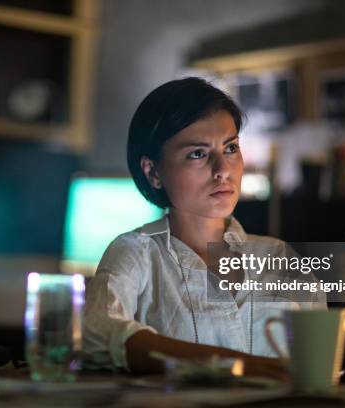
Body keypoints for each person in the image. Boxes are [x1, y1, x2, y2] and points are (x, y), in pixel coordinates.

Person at [83, 77, 326, 380]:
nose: (223, 170)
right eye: (197, 153)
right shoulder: (138, 253)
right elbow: (96, 333)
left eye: (230, 148)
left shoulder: (279, 256)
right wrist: (237, 366)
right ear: (153, 171)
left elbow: (320, 362)